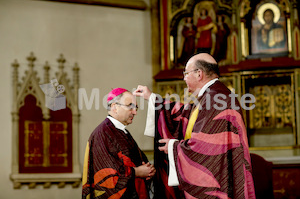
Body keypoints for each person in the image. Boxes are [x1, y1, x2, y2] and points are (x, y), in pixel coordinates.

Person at [133, 53, 256, 198]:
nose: (184, 78)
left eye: (186, 73)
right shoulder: (213, 96)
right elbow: (186, 114)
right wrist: (152, 98)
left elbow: (205, 148)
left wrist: (173, 147)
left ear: (199, 74)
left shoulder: (216, 99)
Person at [82, 88, 156, 199]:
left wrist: (149, 170)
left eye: (136, 107)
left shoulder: (120, 131)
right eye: (130, 106)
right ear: (114, 107)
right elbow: (106, 175)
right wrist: (137, 172)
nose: (135, 112)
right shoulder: (102, 133)